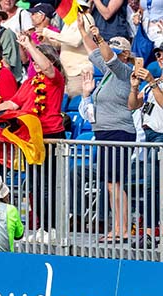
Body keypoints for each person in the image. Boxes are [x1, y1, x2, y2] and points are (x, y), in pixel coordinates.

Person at [0, 34, 66, 241]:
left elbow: (47, 68)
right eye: (33, 60)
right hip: (31, 139)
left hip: (51, 137)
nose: (35, 64)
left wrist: (29, 45)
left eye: (39, 58)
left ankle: (53, 229)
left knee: (49, 184)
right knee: (34, 185)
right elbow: (12, 104)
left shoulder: (55, 78)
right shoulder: (30, 82)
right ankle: (42, 228)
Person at [78, 20, 135, 243]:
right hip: (105, 132)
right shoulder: (110, 72)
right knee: (110, 184)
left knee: (115, 183)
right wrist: (83, 31)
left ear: (125, 55)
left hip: (118, 131)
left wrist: (100, 38)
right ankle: (118, 226)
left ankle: (121, 227)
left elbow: (108, 56)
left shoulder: (123, 71)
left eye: (117, 51)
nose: (111, 53)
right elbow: (94, 52)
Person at [127, 46, 162, 249]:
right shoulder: (152, 85)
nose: (160, 59)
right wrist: (134, 87)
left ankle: (152, 232)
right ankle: (148, 232)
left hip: (160, 138)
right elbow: (132, 105)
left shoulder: (153, 84)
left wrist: (151, 82)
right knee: (149, 187)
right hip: (149, 138)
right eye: (159, 56)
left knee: (154, 186)